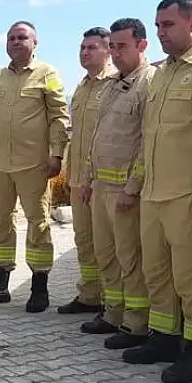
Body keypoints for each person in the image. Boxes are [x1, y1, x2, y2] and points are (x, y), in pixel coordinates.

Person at [121, 0, 192, 383]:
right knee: (157, 273)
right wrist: (137, 185)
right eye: (157, 26)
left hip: (189, 197)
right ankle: (165, 338)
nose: (161, 33)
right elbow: (148, 138)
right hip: (155, 193)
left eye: (168, 25)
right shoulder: (162, 73)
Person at [0, 21, 70, 313]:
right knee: (0, 221)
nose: (15, 42)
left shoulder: (47, 74)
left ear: (34, 42)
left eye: (21, 37)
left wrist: (57, 154)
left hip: (34, 165)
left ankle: (39, 287)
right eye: (11, 38)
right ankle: (0, 285)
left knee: (37, 223)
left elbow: (58, 117)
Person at [77, 17, 155, 351]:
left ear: (141, 45)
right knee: (105, 255)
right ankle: (113, 313)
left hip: (125, 193)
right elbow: (99, 136)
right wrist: (90, 179)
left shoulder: (148, 83)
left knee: (129, 259)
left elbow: (144, 143)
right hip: (102, 189)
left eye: (121, 47)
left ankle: (136, 323)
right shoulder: (112, 85)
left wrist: (132, 188)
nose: (116, 53)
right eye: (113, 47)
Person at [57, 27, 115, 316]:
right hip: (79, 179)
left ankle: (111, 302)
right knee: (84, 241)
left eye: (92, 47)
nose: (85, 52)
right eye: (82, 47)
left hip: (103, 181)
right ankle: (89, 295)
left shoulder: (114, 85)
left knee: (108, 245)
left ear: (108, 50)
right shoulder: (81, 87)